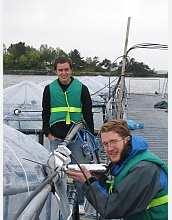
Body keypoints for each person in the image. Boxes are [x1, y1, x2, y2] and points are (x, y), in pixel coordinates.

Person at [66, 119, 168, 219]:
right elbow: (119, 196)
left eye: (113, 142)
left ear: (127, 140)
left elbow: (111, 210)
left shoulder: (143, 169)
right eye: (105, 144)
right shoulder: (131, 160)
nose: (109, 148)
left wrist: (88, 182)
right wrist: (99, 180)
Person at [42, 56, 94, 215]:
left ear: (71, 70)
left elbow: (88, 114)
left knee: (79, 172)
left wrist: (89, 137)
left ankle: (80, 201)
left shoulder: (82, 88)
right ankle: (63, 207)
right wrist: (49, 135)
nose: (63, 73)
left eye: (66, 70)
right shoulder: (49, 89)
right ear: (56, 71)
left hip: (77, 140)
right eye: (60, 70)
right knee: (58, 175)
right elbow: (45, 114)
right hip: (56, 140)